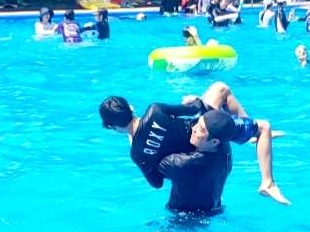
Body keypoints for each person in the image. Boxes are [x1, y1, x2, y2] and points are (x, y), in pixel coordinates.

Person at [99, 83, 289, 206]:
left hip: (194, 155)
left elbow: (156, 183)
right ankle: (267, 181)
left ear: (113, 127)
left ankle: (250, 137)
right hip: (202, 132)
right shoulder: (154, 111)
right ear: (130, 107)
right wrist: (195, 99)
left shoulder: (137, 153)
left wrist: (150, 152)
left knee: (219, 93)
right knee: (222, 90)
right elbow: (194, 109)